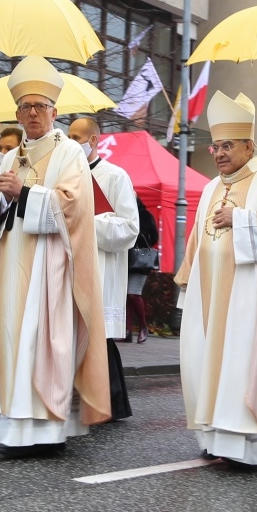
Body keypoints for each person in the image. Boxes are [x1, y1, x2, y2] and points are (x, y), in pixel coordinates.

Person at [0, 56, 110, 456]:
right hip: (12, 266)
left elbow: (74, 207)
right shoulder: (11, 157)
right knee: (12, 340)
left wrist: (22, 194)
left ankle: (46, 434)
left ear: (54, 111)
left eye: (40, 107)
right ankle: (13, 430)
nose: (33, 113)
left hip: (50, 268)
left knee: (40, 343)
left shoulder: (70, 155)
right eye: (26, 107)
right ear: (16, 112)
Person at [175, 91, 257, 466]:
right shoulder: (209, 188)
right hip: (209, 296)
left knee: (241, 364)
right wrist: (187, 286)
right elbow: (197, 242)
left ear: (249, 146)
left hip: (251, 297)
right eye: (215, 146)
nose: (218, 154)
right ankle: (213, 437)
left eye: (227, 146)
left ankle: (248, 447)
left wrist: (243, 219)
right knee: (205, 362)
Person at [68, 115, 141, 420]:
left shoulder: (115, 176)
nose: (71, 143)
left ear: (94, 141)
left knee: (99, 337)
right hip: (70, 266)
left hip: (101, 268)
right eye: (68, 136)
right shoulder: (66, 177)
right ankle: (99, 401)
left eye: (76, 138)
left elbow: (129, 228)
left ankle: (110, 402)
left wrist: (88, 222)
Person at [124, 201, 160, 344]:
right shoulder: (123, 216)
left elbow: (154, 237)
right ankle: (126, 331)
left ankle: (143, 327)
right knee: (123, 297)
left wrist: (137, 235)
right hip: (124, 260)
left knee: (133, 295)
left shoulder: (145, 216)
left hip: (140, 262)